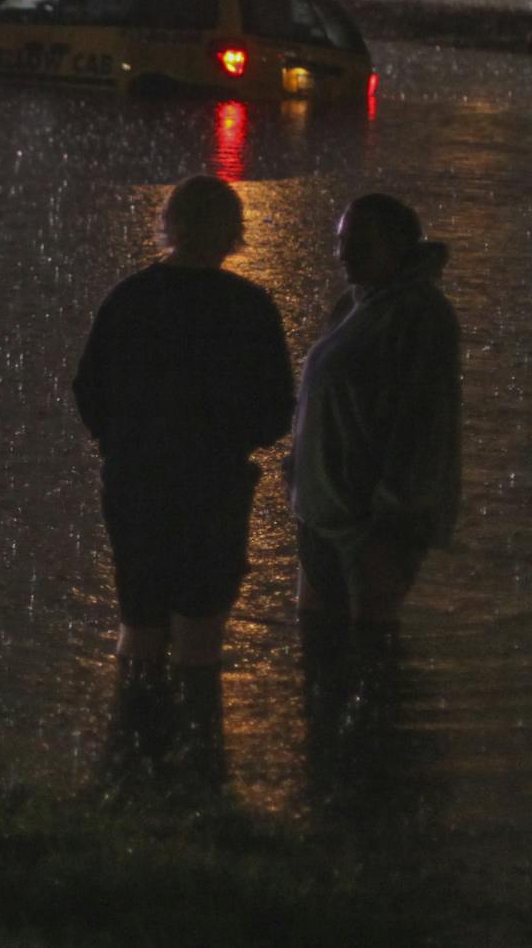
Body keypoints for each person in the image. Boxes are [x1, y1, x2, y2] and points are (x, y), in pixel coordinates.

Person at [74, 176, 294, 783]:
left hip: (136, 483)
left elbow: (88, 390)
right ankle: (200, 770)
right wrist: (225, 441)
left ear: (168, 224)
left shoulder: (130, 298)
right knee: (200, 632)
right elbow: (277, 409)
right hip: (213, 488)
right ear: (233, 232)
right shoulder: (251, 308)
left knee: (139, 620)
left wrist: (124, 443)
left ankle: (127, 758)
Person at [289, 194, 461, 636]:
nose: (343, 253)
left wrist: (392, 516)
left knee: (369, 653)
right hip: (321, 511)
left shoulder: (422, 315)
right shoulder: (354, 304)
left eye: (360, 242)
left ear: (399, 246)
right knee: (317, 645)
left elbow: (424, 423)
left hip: (372, 527)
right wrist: (296, 475)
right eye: (342, 240)